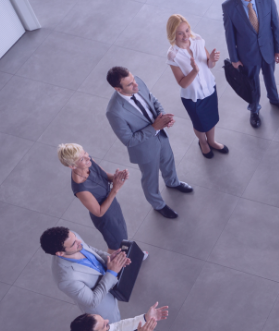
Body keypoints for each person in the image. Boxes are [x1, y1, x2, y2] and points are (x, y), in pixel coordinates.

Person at [105, 66, 193, 220]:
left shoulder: (136, 80)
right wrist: (154, 128)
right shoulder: (114, 111)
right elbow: (128, 140)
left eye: (133, 79)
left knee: (168, 161)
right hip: (144, 148)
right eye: (130, 84)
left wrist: (163, 116)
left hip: (161, 135)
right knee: (150, 177)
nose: (136, 85)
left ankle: (172, 182)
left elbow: (152, 99)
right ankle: (158, 205)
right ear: (118, 89)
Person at [223, 0, 279, 129]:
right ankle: (254, 110)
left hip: (268, 49)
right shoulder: (229, 7)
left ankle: (275, 99)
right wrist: (234, 59)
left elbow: (276, 23)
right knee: (252, 84)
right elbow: (229, 36)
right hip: (247, 55)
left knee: (270, 77)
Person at [42, 227, 130, 331]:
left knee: (117, 318)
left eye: (75, 236)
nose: (79, 241)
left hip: (109, 286)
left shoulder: (72, 238)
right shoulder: (65, 279)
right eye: (74, 243)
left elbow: (91, 251)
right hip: (102, 305)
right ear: (60, 253)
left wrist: (109, 258)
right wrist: (112, 272)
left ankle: (124, 327)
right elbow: (92, 301)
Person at [166, 14, 228, 159]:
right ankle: (203, 143)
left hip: (209, 88)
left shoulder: (198, 40)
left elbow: (209, 65)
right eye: (180, 33)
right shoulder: (173, 55)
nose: (185, 35)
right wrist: (194, 70)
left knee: (211, 118)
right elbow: (182, 83)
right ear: (173, 34)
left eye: (187, 30)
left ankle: (211, 141)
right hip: (193, 97)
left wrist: (212, 60)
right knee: (200, 124)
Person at [57, 143, 134, 255]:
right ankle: (116, 266)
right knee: (116, 244)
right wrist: (115, 189)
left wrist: (117, 177)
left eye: (85, 152)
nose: (88, 157)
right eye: (82, 158)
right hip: (105, 218)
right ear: (72, 166)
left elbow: (104, 176)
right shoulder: (80, 188)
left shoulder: (88, 162)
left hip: (112, 205)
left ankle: (131, 253)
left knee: (122, 234)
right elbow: (99, 212)